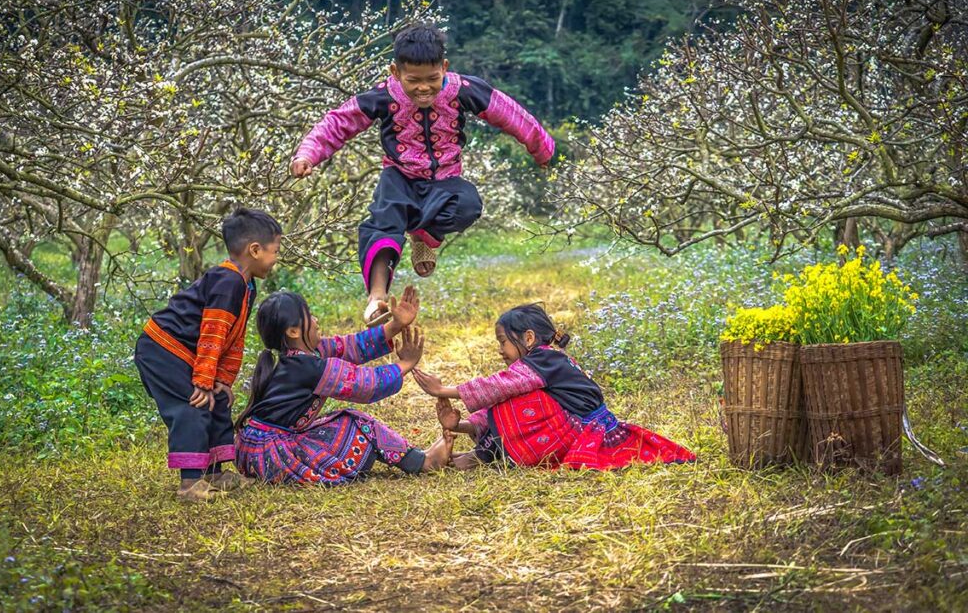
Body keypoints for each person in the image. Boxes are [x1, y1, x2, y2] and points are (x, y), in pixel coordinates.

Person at [291, 23, 555, 326]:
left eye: (432, 78)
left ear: (444, 67)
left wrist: (542, 149)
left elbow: (509, 114)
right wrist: (308, 154)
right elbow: (338, 123)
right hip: (399, 177)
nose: (424, 88)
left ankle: (424, 236)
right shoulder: (382, 97)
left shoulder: (464, 91)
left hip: (445, 180)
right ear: (395, 72)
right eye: (413, 80)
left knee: (468, 205)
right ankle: (376, 297)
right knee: (384, 221)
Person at [413, 303, 696, 470]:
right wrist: (460, 425)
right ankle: (477, 445)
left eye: (503, 341)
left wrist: (443, 390)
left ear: (528, 337)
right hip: (577, 426)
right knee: (512, 394)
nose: (500, 350)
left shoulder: (545, 359)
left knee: (516, 398)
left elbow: (499, 387)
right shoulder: (547, 359)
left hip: (583, 429)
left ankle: (483, 456)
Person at [134, 208, 282, 501]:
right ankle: (190, 484)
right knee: (193, 405)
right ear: (254, 250)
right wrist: (202, 380)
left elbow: (233, 337)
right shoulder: (227, 281)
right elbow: (213, 332)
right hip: (162, 349)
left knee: (218, 398)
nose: (277, 258)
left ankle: (215, 472)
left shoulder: (245, 284)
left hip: (187, 353)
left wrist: (222, 380)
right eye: (274, 251)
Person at [235, 286, 453, 484]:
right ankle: (422, 462)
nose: (316, 319)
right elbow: (366, 385)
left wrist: (396, 324)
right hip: (270, 453)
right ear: (293, 331)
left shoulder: (304, 356)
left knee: (340, 422)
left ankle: (418, 458)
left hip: (255, 449)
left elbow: (351, 346)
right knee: (355, 421)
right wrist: (407, 363)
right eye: (309, 315)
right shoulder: (309, 367)